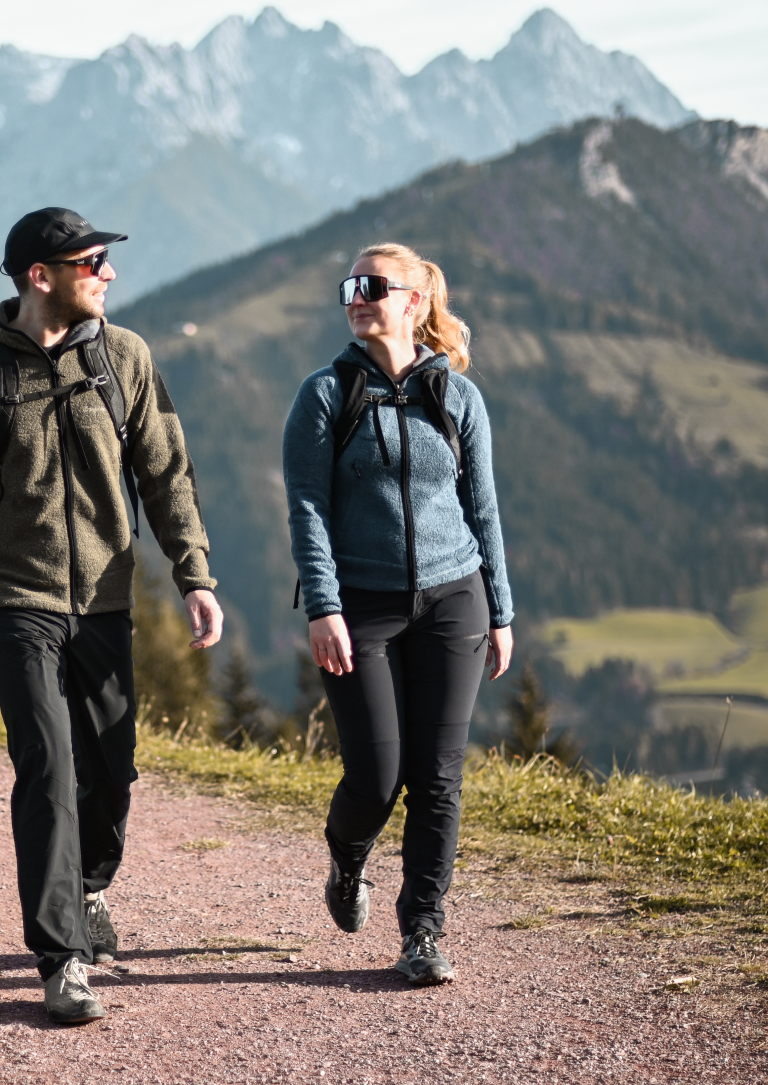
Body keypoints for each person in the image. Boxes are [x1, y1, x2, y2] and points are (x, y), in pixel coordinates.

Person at [0, 207, 224, 1023]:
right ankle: (61, 959)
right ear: (40, 276)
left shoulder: (125, 358)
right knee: (48, 766)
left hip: (106, 599)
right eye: (93, 262)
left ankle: (86, 885)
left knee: (111, 772)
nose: (109, 274)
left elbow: (166, 473)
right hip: (14, 600)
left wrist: (194, 574)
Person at [281, 242, 513, 987]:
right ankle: (348, 860)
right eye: (350, 284)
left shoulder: (458, 397)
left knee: (438, 777)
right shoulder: (325, 394)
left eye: (374, 285)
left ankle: (422, 930)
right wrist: (324, 606)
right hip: (362, 606)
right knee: (377, 776)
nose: (357, 295)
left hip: (454, 598)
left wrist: (500, 611)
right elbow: (308, 509)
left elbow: (483, 509)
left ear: (414, 302)